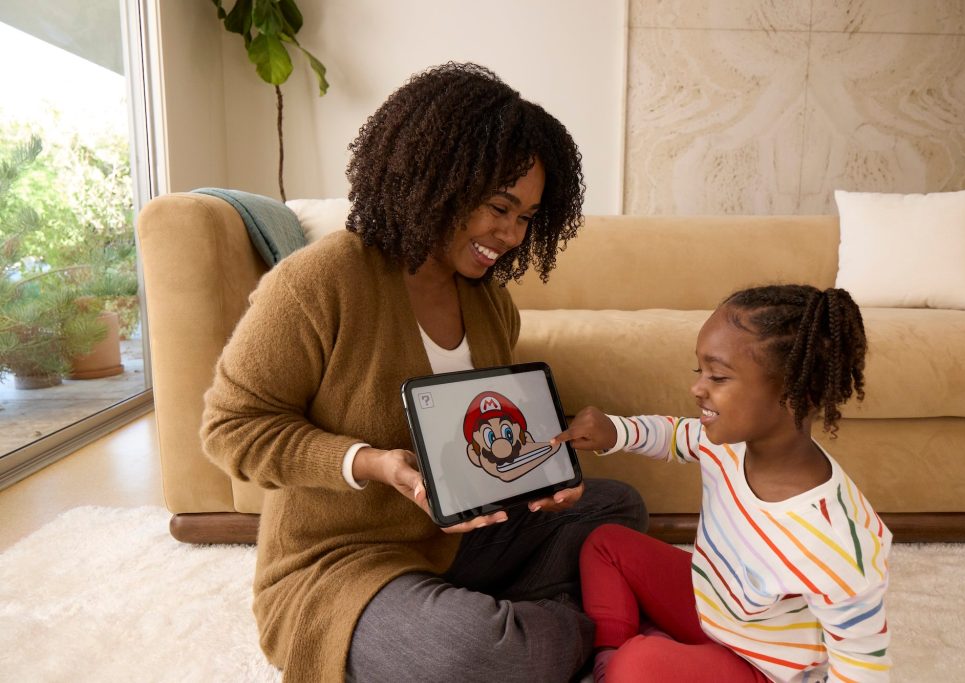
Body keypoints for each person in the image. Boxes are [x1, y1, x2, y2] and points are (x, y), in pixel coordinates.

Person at [200, 62, 647, 683]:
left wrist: (543, 469)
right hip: (341, 562)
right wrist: (371, 463)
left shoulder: (491, 302)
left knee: (615, 506)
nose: (511, 235)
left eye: (527, 217)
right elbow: (231, 429)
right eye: (499, 207)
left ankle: (516, 634)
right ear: (440, 178)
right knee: (483, 650)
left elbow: (479, 435)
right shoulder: (318, 282)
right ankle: (549, 636)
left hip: (460, 538)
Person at [552, 285, 892, 682]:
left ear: (795, 393)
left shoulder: (837, 539)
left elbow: (863, 666)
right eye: (699, 372)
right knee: (606, 543)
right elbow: (676, 436)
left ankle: (637, 658)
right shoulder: (730, 444)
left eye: (717, 376)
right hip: (711, 607)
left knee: (639, 664)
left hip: (762, 668)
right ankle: (611, 659)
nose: (697, 388)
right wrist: (615, 431)